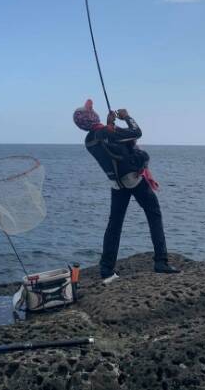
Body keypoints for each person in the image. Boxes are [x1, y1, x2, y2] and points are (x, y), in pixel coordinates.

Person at [73, 99, 179, 282]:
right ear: (92, 117)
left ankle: (106, 270)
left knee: (114, 225)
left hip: (117, 184)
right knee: (154, 214)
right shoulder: (107, 131)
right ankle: (161, 261)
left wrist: (109, 124)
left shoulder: (89, 140)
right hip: (134, 180)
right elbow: (136, 132)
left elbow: (108, 141)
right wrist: (126, 117)